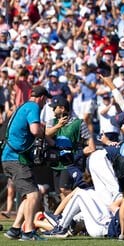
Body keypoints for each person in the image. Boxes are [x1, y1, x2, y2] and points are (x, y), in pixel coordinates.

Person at [1, 86, 51, 241]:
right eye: (45, 100)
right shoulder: (33, 106)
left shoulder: (23, 106)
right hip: (16, 158)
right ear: (42, 98)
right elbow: (35, 130)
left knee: (28, 195)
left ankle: (15, 230)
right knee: (34, 194)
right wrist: (47, 133)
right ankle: (28, 232)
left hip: (10, 158)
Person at [45, 96, 96, 200]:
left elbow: (91, 145)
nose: (53, 110)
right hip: (55, 162)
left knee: (64, 188)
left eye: (55, 107)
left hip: (70, 162)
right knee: (60, 192)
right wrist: (58, 126)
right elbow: (46, 134)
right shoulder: (52, 122)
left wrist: (79, 153)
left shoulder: (78, 123)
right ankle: (70, 215)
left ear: (62, 108)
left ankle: (87, 202)